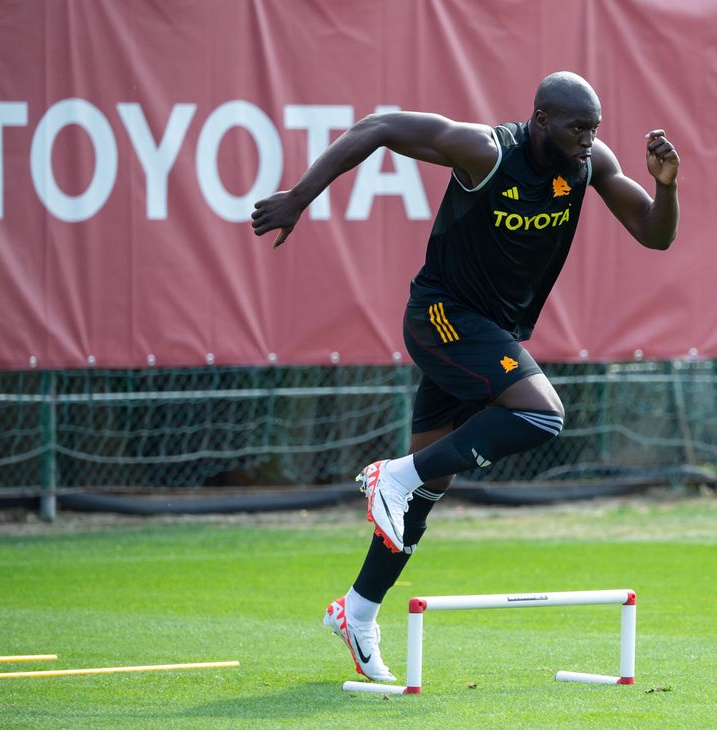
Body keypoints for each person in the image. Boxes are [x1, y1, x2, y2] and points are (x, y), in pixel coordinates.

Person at [251, 71, 680, 682]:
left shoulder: (589, 163)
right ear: (540, 121)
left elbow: (655, 235)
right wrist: (299, 196)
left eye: (595, 129)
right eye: (577, 128)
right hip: (441, 317)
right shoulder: (485, 151)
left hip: (484, 333)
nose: (589, 139)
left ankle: (358, 610)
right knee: (541, 413)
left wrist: (668, 187)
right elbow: (379, 128)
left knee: (429, 488)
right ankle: (391, 476)